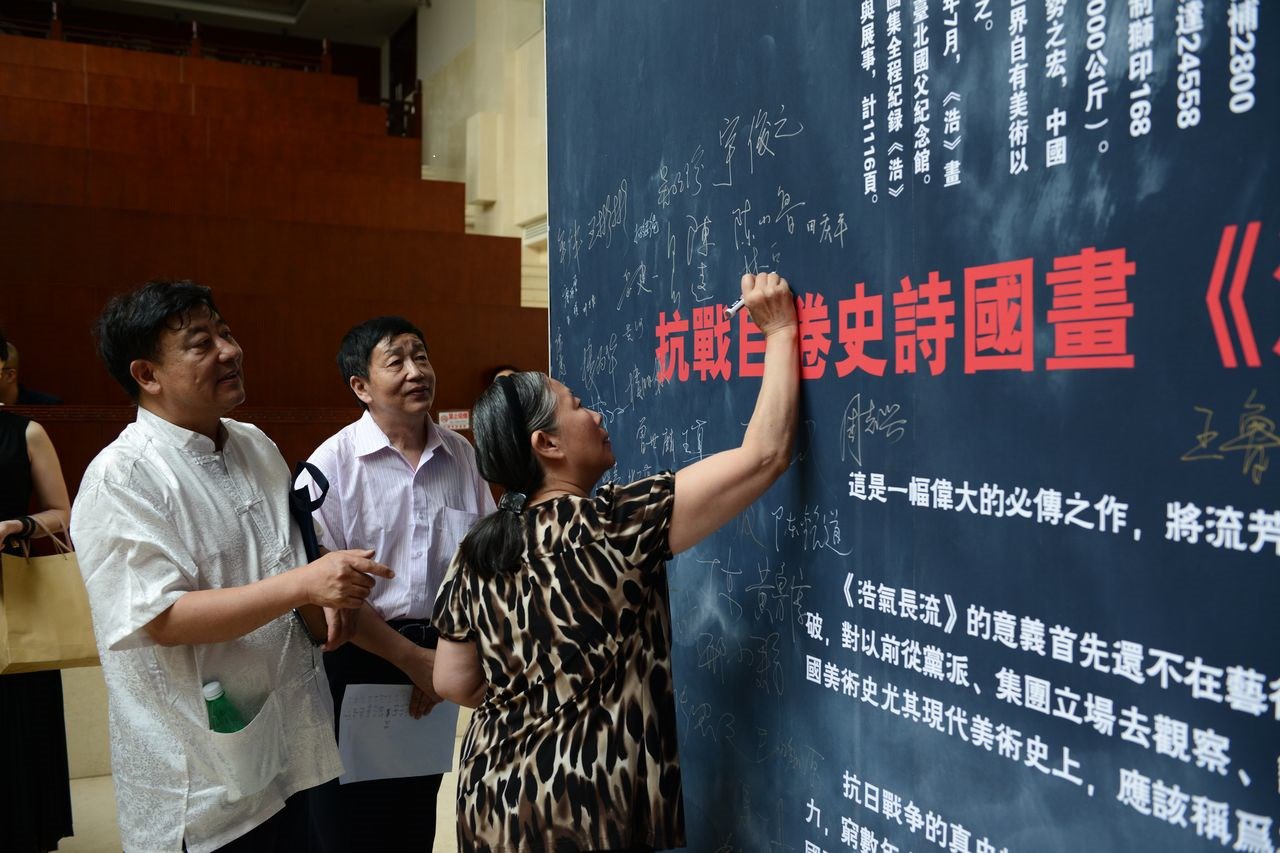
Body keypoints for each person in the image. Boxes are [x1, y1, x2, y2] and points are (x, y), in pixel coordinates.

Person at [431, 272, 799, 851]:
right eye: (576, 407)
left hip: (491, 800)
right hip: (586, 809)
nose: (595, 415)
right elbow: (765, 456)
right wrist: (779, 330)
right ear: (546, 445)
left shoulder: (478, 549)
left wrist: (538, 697)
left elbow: (452, 680)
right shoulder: (616, 525)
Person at [70, 280, 394, 853]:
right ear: (147, 375)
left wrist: (324, 597)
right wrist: (303, 584)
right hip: (200, 777)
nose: (230, 350)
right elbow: (162, 617)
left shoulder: (253, 444)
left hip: (290, 746)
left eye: (225, 332)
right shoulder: (122, 477)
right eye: (201, 343)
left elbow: (280, 558)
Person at [304, 316, 495, 853]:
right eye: (397, 361)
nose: (417, 372)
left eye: (423, 356)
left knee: (412, 815)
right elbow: (322, 590)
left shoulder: (463, 457)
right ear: (361, 387)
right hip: (356, 655)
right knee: (345, 820)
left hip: (442, 654)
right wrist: (411, 659)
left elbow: (483, 566)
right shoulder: (330, 465)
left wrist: (441, 658)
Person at [0, 327, 74, 853]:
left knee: (19, 719)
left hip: (12, 589)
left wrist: (16, 525)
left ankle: (26, 833)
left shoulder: (25, 432)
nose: (7, 378)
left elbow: (63, 515)